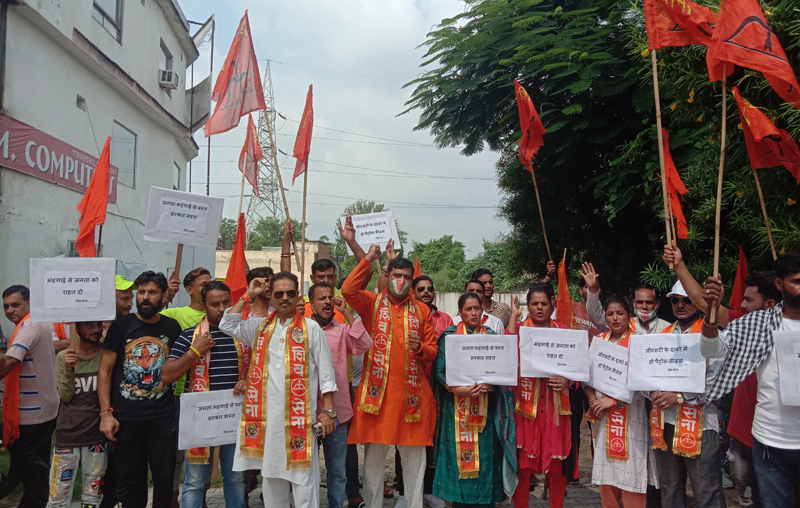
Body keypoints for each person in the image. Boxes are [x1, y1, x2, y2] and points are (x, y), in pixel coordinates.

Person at [219, 271, 337, 508]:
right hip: (269, 426)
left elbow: (326, 373)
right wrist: (248, 294)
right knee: (272, 489)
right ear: (270, 296)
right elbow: (226, 324)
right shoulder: (258, 328)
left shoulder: (311, 328)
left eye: (290, 293)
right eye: (279, 293)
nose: (285, 297)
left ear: (298, 296)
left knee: (305, 490)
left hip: (301, 424)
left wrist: (329, 411)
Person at [341, 246, 438, 508]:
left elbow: (432, 352)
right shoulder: (372, 302)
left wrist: (420, 347)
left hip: (412, 401)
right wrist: (369, 259)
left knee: (414, 467)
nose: (401, 281)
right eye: (397, 275)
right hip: (378, 402)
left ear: (412, 279)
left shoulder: (422, 311)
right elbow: (348, 290)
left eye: (407, 277)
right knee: (373, 466)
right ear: (389, 274)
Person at [700, 253, 800, 508]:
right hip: (771, 444)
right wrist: (712, 311)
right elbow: (713, 350)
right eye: (797, 281)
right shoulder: (756, 323)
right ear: (779, 285)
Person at [98, 271, 183, 508]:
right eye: (142, 292)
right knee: (129, 484)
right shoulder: (120, 326)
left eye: (152, 292)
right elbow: (104, 371)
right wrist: (106, 413)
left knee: (164, 482)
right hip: (126, 419)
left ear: (164, 297)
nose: (145, 297)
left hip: (162, 418)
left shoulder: (172, 327)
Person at [160, 281, 247, 508]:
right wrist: (194, 351)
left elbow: (263, 368)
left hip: (235, 417)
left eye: (226, 302)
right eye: (215, 304)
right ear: (203, 306)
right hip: (202, 418)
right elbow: (167, 375)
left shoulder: (245, 333)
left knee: (236, 479)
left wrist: (249, 380)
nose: (222, 309)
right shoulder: (191, 335)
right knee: (195, 482)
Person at [431, 292, 517, 508]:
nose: (473, 313)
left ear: (482, 311)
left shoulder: (491, 337)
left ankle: (486, 502)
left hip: (486, 412)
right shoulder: (449, 337)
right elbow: (439, 372)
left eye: (476, 308)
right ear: (459, 312)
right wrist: (457, 388)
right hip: (456, 410)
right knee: (458, 461)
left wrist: (493, 384)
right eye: (468, 309)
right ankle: (460, 504)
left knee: (487, 458)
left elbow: (504, 372)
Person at [648, 280, 724, 508]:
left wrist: (680, 396)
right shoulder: (663, 335)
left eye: (687, 299)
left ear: (698, 302)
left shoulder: (712, 334)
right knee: (670, 488)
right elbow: (647, 373)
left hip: (700, 424)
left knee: (706, 489)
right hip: (665, 421)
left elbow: (717, 379)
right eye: (675, 300)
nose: (680, 305)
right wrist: (652, 390)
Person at [508, 283, 578, 508]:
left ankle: (557, 505)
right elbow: (504, 360)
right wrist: (512, 320)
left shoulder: (565, 333)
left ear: (553, 303)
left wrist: (568, 381)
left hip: (556, 408)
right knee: (524, 463)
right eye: (534, 303)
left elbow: (579, 370)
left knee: (558, 463)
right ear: (527, 305)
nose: (539, 308)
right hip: (525, 408)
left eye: (544, 303)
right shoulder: (517, 330)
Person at [305, 281, 372, 508]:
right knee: (307, 471)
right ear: (311, 303)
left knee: (337, 471)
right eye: (321, 298)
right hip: (305, 413)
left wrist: (347, 313)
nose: (326, 302)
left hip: (337, 414)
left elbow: (364, 344)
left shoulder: (342, 330)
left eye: (329, 297)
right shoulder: (301, 331)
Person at [393, 276, 455, 508]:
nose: (427, 292)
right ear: (413, 292)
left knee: (433, 440)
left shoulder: (445, 319)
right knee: (406, 440)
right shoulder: (406, 315)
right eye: (421, 289)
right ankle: (404, 492)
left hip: (440, 387)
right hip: (412, 384)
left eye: (430, 288)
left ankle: (430, 490)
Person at [584, 297, 651, 508]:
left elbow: (645, 384)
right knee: (607, 474)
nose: (614, 318)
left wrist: (611, 400)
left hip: (632, 419)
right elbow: (587, 379)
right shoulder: (599, 341)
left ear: (629, 315)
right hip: (603, 420)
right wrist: (594, 400)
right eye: (610, 313)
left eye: (620, 313)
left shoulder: (639, 342)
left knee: (632, 474)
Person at [724, 272, 781, 508]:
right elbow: (705, 305)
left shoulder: (792, 336)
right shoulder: (742, 327)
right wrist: (678, 265)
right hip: (742, 433)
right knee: (746, 498)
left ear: (769, 305)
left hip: (776, 438)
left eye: (749, 300)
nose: (741, 305)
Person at [0, 285, 59, 508]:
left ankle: (40, 500)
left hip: (33, 411)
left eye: (15, 305)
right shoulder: (29, 325)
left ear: (29, 304)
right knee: (33, 460)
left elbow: (10, 362)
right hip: (40, 407)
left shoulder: (29, 326)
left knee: (28, 461)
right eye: (6, 306)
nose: (10, 310)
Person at [48, 321, 109, 508]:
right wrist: (68, 369)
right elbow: (65, 396)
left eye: (99, 325)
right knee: (58, 497)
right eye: (90, 325)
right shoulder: (63, 357)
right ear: (77, 328)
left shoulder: (106, 355)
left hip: (97, 436)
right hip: (68, 436)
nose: (96, 330)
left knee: (92, 499)